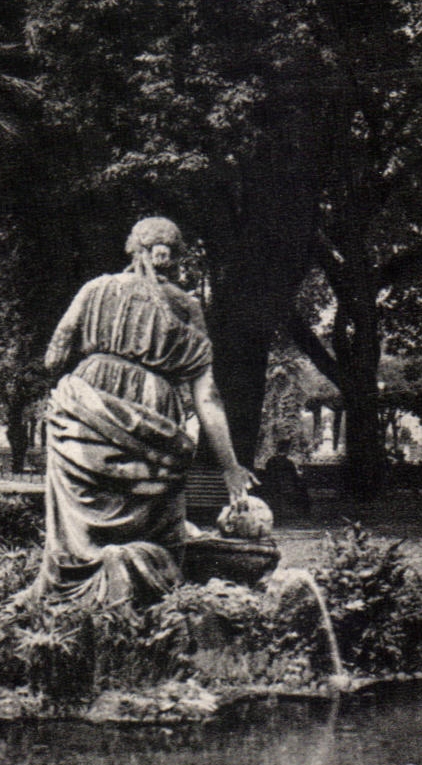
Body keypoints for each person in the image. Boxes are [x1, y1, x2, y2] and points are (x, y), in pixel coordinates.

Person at [24, 216, 257, 606]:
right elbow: (207, 397)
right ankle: (151, 602)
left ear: (135, 249)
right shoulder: (186, 306)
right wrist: (230, 468)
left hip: (87, 405)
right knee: (156, 524)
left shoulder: (96, 288)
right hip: (156, 412)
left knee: (79, 520)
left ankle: (73, 596)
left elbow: (54, 358)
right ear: (174, 258)